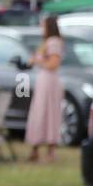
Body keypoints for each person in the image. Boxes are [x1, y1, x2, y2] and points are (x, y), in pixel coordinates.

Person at [25, 15, 64, 163]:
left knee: (47, 113)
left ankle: (50, 150)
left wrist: (38, 61)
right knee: (39, 113)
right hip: (44, 80)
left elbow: (53, 64)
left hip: (49, 81)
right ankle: (35, 149)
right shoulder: (47, 42)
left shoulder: (53, 42)